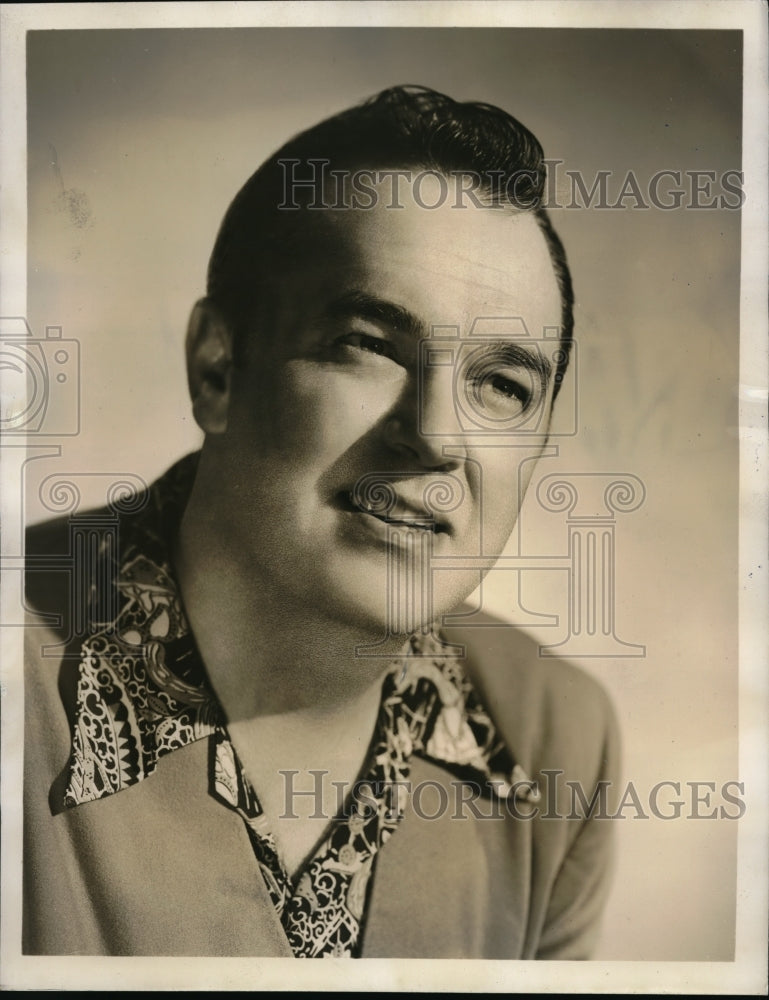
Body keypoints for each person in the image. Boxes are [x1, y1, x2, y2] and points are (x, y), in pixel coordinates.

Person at [23, 85, 620, 959]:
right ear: (218, 369)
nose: (437, 437)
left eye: (502, 384)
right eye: (369, 345)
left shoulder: (556, 739)